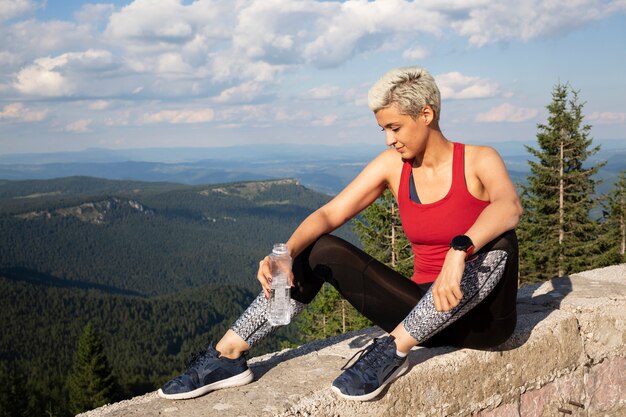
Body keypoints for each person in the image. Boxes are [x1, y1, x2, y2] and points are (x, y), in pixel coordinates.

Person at [157, 66, 523, 402]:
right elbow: (330, 213)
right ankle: (228, 355)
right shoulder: (393, 167)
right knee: (318, 250)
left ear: (425, 115)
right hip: (420, 316)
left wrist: (459, 252)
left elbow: (509, 207)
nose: (388, 140)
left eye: (394, 127)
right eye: (383, 129)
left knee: (502, 242)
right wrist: (285, 253)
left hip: (483, 324)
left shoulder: (478, 159)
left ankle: (391, 352)